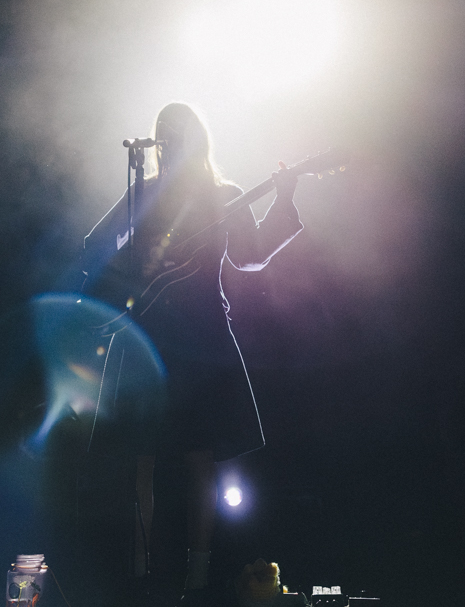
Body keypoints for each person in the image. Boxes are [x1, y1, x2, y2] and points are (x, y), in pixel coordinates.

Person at [80, 103, 303, 604]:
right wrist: (131, 274)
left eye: (178, 133)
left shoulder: (224, 195)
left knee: (200, 459)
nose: (169, 141)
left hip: (203, 343)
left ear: (197, 139)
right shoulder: (142, 194)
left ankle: (197, 579)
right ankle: (140, 572)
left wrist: (284, 197)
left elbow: (251, 254)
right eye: (163, 133)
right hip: (148, 337)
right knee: (140, 458)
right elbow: (97, 244)